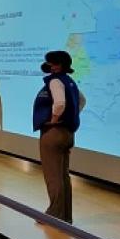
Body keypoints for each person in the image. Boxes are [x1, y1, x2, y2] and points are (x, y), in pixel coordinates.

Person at [32, 50, 86, 224]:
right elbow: (82, 100)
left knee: (53, 176)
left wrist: (54, 120)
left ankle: (54, 215)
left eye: (51, 62)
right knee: (63, 176)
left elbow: (60, 103)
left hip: (54, 133)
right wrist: (72, 115)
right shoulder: (70, 82)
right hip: (67, 134)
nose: (48, 65)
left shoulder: (55, 81)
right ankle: (65, 216)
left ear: (57, 65)